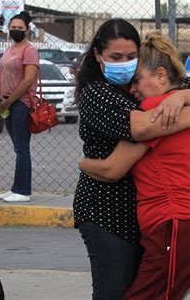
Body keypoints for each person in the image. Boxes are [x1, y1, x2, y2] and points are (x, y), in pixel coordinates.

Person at [73, 19, 190, 299]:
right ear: (98, 56)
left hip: (152, 219)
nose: (124, 64)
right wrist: (175, 101)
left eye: (131, 57)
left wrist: (180, 97)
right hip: (108, 214)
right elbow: (141, 128)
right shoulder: (97, 92)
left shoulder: (150, 93)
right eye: (116, 57)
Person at [0, 11, 39, 203]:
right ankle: (16, 188)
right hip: (7, 102)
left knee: (22, 148)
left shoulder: (29, 50)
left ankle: (23, 191)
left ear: (27, 30)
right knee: (17, 148)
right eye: (13, 28)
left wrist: (10, 100)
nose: (16, 31)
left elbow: (28, 80)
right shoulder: (9, 49)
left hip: (20, 104)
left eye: (20, 28)